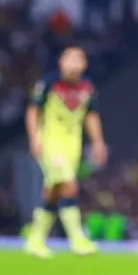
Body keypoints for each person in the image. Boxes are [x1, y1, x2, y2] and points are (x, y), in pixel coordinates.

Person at [24, 45, 108, 257]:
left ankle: (35, 238)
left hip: (73, 145)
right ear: (60, 62)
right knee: (69, 185)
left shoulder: (88, 88)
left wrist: (98, 142)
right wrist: (34, 138)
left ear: (84, 64)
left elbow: (91, 116)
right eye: (69, 59)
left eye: (77, 59)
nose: (73, 64)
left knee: (54, 190)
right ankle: (77, 238)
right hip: (51, 142)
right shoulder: (48, 84)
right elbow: (33, 111)